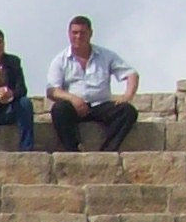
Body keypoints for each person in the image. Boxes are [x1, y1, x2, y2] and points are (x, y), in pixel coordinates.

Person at [44, 15, 140, 151]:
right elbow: (52, 90)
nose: (78, 37)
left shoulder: (106, 56)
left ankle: (107, 152)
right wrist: (73, 99)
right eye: (74, 33)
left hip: (101, 105)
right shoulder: (60, 60)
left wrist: (127, 95)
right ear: (69, 34)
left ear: (90, 33)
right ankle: (73, 150)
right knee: (59, 109)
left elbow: (131, 74)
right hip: (74, 108)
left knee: (128, 111)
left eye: (82, 33)